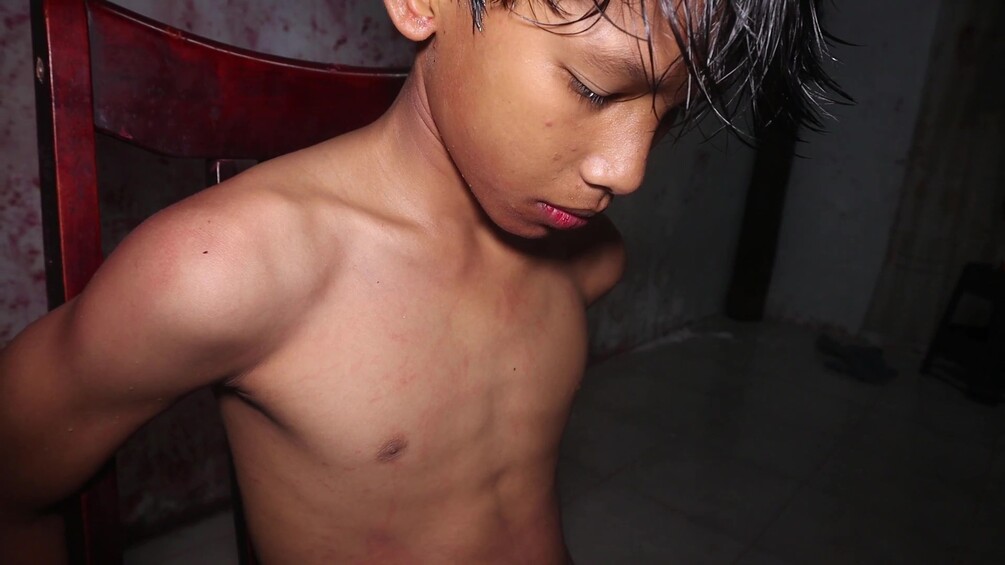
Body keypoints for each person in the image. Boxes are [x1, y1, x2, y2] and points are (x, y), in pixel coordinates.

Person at [0, 0, 840, 562]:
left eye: (668, 113)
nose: (627, 171)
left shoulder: (584, 258)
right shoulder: (229, 270)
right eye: (592, 86)